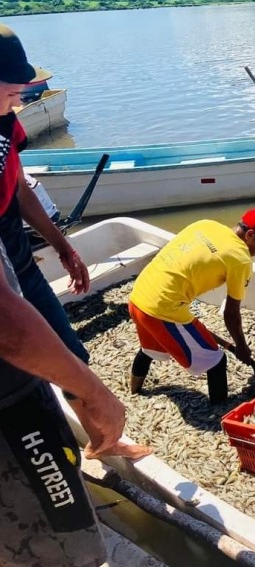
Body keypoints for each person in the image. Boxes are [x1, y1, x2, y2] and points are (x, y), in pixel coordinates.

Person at [0, 237, 151, 567]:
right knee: (64, 548)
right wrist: (96, 394)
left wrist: (62, 246)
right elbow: (5, 323)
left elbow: (19, 190)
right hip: (12, 412)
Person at [0, 23, 91, 363]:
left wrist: (63, 247)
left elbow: (20, 189)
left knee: (73, 357)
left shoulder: (7, 120)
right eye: (12, 94)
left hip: (22, 261)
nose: (18, 103)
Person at [128, 209, 255, 404]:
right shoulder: (240, 259)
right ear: (250, 235)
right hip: (162, 311)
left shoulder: (206, 225)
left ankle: (133, 392)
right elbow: (231, 315)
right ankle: (221, 413)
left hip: (138, 298)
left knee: (150, 349)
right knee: (216, 361)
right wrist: (242, 347)